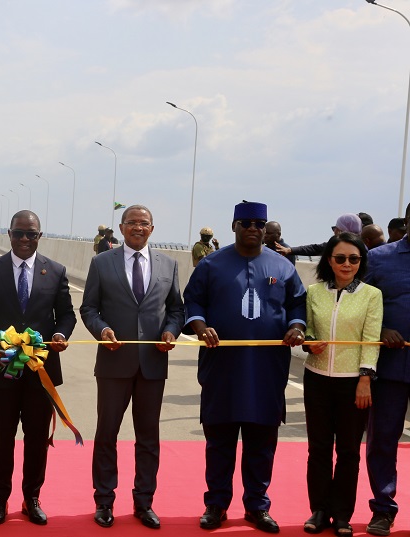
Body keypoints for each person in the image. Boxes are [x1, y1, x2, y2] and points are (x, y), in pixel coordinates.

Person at [182, 201, 307, 534]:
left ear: (265, 229)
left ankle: (257, 506)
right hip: (221, 368)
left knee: (261, 444)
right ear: (234, 226)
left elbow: (298, 303)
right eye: (246, 223)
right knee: (219, 443)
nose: (253, 228)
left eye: (259, 224)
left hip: (267, 370)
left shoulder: (283, 266)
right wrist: (200, 327)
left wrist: (297, 327)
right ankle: (216, 504)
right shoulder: (211, 264)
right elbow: (192, 301)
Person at [0, 210, 76, 526]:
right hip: (2, 370)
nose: (25, 239)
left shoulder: (55, 271)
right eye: (19, 233)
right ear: (9, 234)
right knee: (2, 438)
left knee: (37, 438)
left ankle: (32, 498)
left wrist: (61, 334)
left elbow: (66, 315)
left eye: (31, 234)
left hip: (41, 371)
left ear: (40, 236)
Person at [80, 204, 184, 529]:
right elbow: (89, 309)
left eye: (144, 223)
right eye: (132, 222)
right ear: (122, 227)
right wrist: (102, 331)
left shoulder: (169, 264)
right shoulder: (102, 262)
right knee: (106, 434)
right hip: (114, 363)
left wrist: (171, 331)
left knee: (148, 438)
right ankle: (104, 501)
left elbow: (176, 310)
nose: (138, 227)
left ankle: (144, 502)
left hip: (153, 364)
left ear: (152, 229)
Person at [302, 233, 382, 536]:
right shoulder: (314, 292)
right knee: (318, 448)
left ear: (361, 262)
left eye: (354, 259)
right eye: (340, 258)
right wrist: (310, 343)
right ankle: (319, 510)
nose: (347, 264)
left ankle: (342, 514)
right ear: (329, 260)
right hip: (316, 379)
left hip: (353, 384)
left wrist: (365, 379)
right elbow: (308, 329)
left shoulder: (371, 295)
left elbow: (371, 339)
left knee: (349, 452)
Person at [363, 202, 410, 537]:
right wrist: (380, 331)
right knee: (382, 441)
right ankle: (383, 508)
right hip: (389, 368)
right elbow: (355, 304)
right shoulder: (378, 258)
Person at [276, 213, 362, 259]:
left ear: (341, 231)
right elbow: (315, 248)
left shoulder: (336, 246)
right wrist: (290, 250)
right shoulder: (363, 247)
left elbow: (315, 249)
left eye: (335, 228)